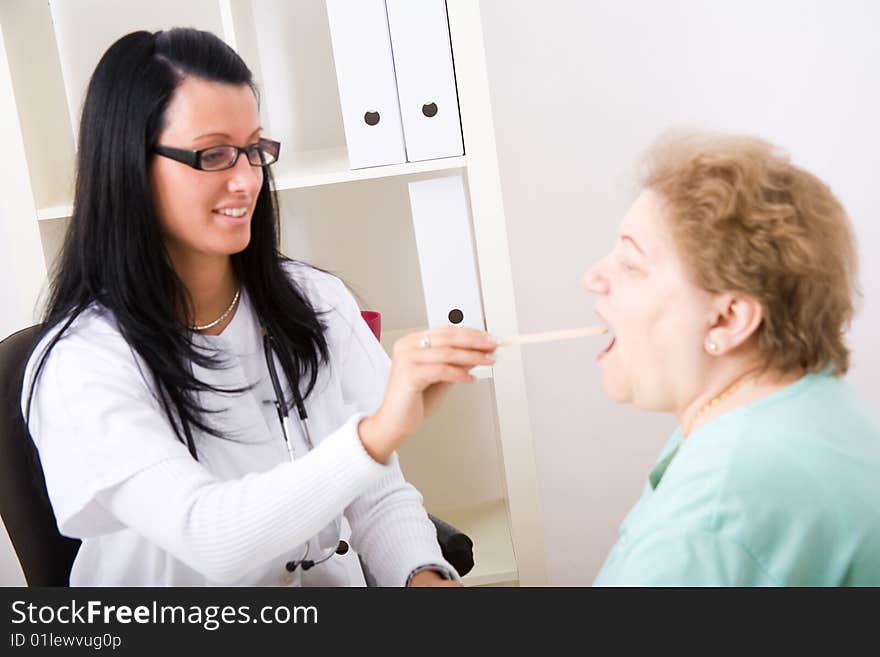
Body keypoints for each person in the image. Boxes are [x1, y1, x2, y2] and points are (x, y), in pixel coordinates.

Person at [22, 28, 497, 587]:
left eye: (253, 150)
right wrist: (373, 433)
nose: (247, 179)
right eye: (215, 154)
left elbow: (376, 492)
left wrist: (422, 577)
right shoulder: (83, 365)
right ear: (130, 166)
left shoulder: (314, 301)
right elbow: (212, 539)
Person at [583, 133, 880, 585]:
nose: (593, 278)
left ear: (727, 319)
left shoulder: (708, 523)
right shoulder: (812, 398)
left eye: (630, 264)